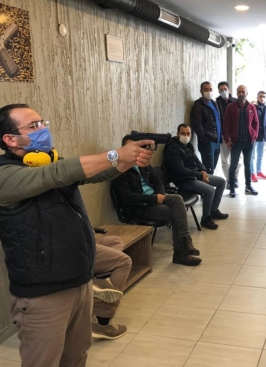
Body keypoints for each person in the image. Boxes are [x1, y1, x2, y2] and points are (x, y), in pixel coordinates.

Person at [0, 103, 153, 366]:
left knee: (76, 356)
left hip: (79, 281)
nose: (43, 129)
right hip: (43, 294)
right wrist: (116, 154)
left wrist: (127, 161)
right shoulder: (6, 175)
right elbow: (59, 174)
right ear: (10, 139)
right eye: (34, 126)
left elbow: (93, 175)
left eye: (43, 122)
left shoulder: (48, 162)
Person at [113, 135, 202, 265]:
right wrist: (155, 198)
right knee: (175, 212)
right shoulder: (119, 170)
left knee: (177, 199)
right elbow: (128, 197)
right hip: (138, 207)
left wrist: (160, 194)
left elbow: (157, 180)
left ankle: (185, 241)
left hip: (154, 199)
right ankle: (181, 253)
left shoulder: (142, 164)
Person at [163, 124, 228, 230]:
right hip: (184, 180)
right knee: (210, 190)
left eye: (188, 134)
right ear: (178, 134)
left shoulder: (188, 145)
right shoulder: (173, 148)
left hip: (195, 175)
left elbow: (196, 160)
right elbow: (181, 170)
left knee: (221, 182)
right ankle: (205, 219)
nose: (185, 136)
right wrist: (200, 176)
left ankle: (213, 211)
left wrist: (203, 171)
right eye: (183, 133)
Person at [92, 235, 132, 340]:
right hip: (73, 244)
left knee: (115, 241)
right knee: (124, 262)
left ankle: (97, 281)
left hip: (80, 238)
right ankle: (103, 322)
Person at [223, 85, 259, 197]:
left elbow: (256, 123)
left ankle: (248, 186)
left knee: (248, 165)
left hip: (248, 141)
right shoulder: (230, 107)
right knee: (233, 165)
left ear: (247, 93)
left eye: (243, 92)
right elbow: (226, 124)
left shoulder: (252, 107)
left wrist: (254, 135)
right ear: (236, 93)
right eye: (239, 92)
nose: (241, 94)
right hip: (236, 142)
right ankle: (232, 187)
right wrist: (227, 140)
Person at [191, 81, 222, 174]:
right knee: (208, 170)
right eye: (206, 89)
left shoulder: (214, 103)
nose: (209, 91)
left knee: (212, 168)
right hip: (208, 142)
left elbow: (218, 120)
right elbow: (197, 124)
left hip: (217, 141)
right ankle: (207, 184)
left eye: (210, 89)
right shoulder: (198, 105)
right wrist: (204, 140)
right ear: (201, 91)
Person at [216, 81, 241, 186]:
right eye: (221, 90)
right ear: (218, 91)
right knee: (225, 159)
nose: (223, 91)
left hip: (236, 134)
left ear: (229, 90)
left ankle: (235, 178)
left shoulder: (236, 102)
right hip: (223, 134)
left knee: (238, 159)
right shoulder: (216, 103)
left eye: (225, 89)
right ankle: (229, 179)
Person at [250, 91, 266, 182]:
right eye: (260, 96)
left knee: (260, 155)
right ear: (257, 97)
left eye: (264, 97)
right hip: (254, 135)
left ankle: (259, 171)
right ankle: (252, 173)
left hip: (263, 135)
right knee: (252, 156)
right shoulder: (253, 107)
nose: (262, 98)